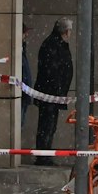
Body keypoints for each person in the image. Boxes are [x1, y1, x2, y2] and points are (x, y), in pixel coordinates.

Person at [33, 19, 74, 165]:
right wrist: (57, 90)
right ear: (65, 31)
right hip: (50, 94)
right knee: (47, 125)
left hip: (54, 93)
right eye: (69, 30)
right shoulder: (52, 45)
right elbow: (51, 70)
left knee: (50, 125)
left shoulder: (56, 44)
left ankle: (45, 154)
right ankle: (43, 155)